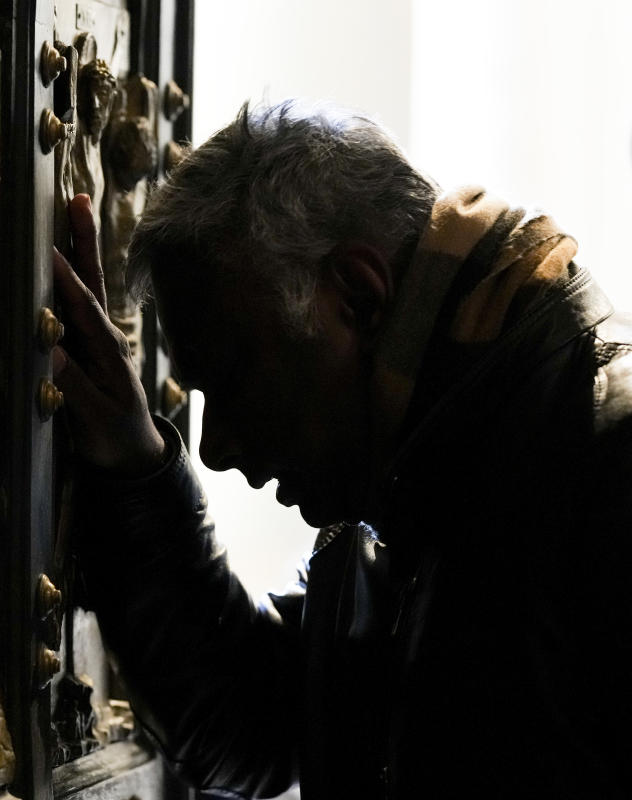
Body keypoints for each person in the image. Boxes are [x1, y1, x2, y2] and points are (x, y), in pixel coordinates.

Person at [50, 99, 632, 799]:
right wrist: (135, 467)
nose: (217, 449)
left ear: (357, 295)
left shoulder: (607, 463)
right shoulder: (421, 471)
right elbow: (262, 724)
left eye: (234, 378)